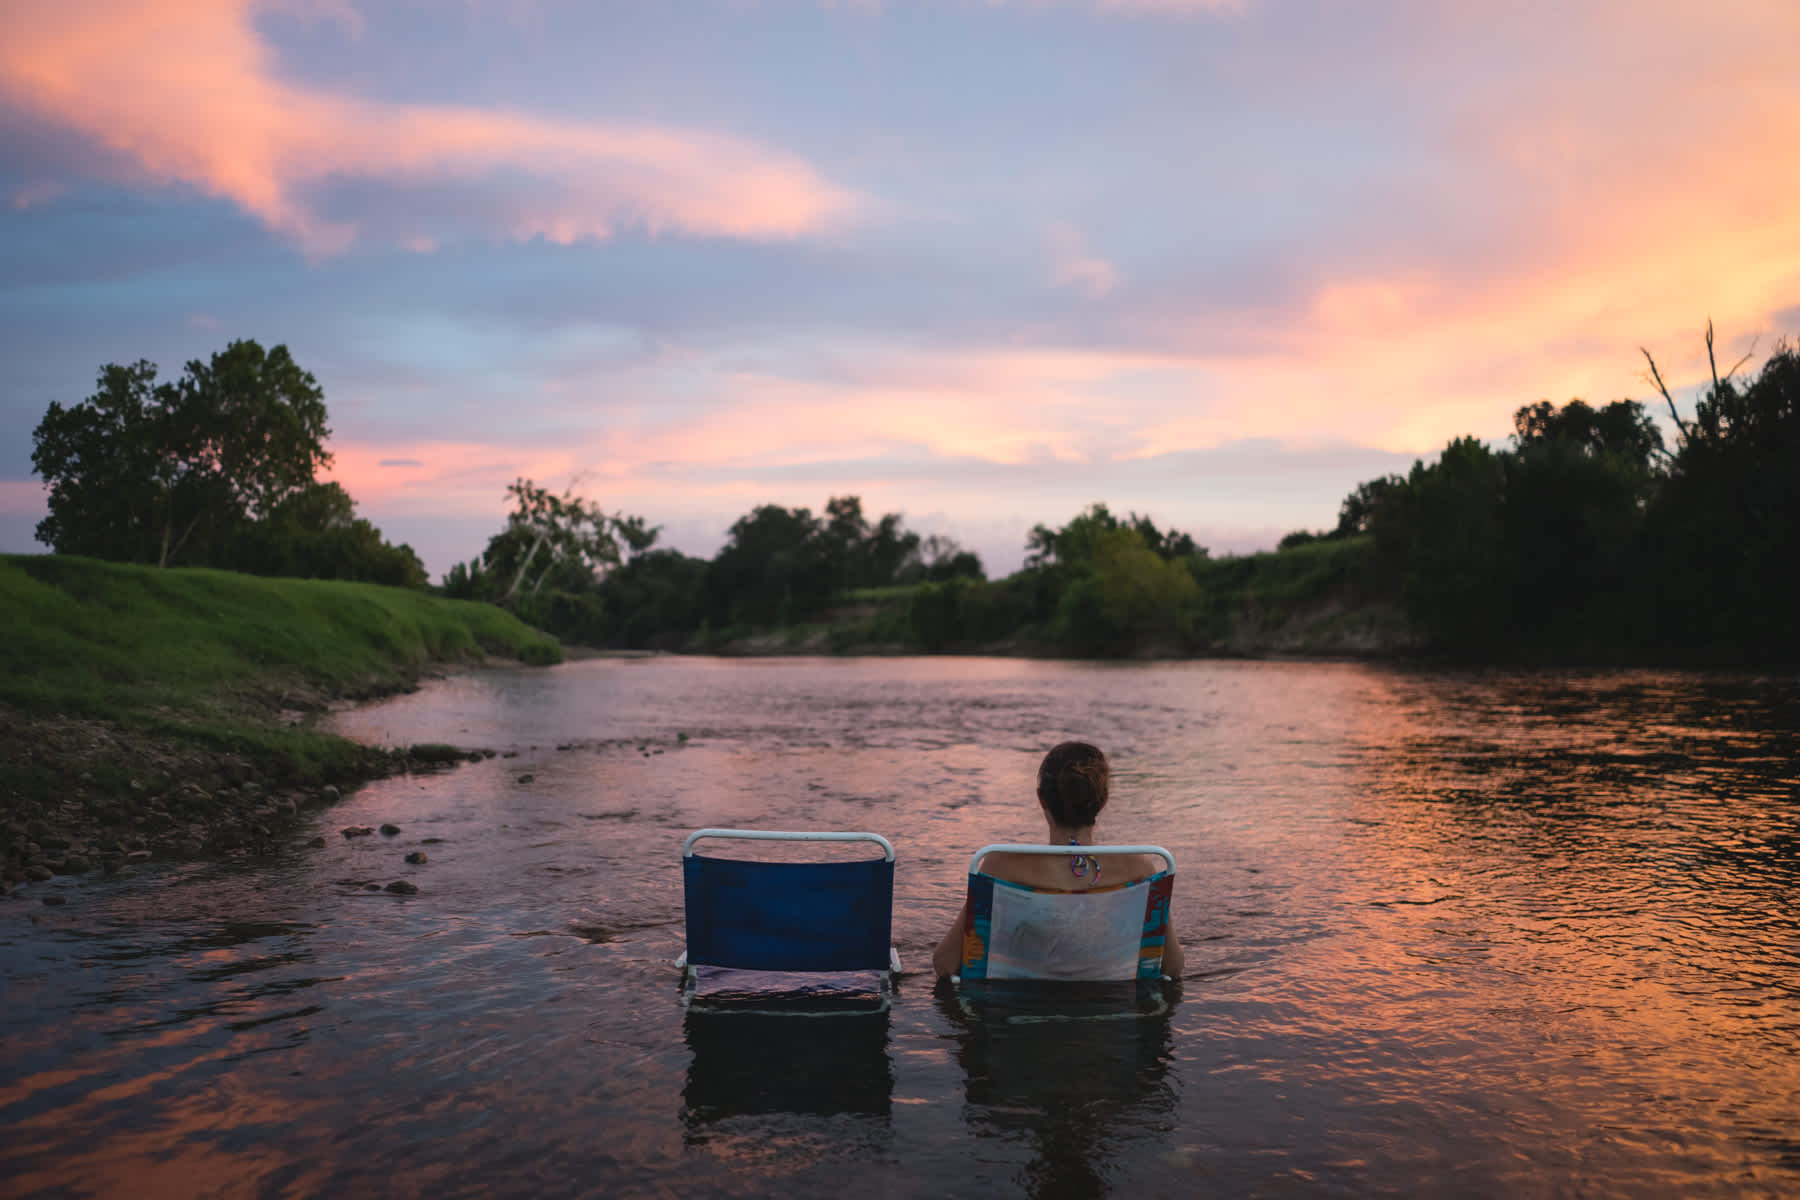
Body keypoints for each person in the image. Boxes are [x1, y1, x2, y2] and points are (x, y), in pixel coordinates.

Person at [931, 741, 1183, 979]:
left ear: (1042, 800)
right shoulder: (1140, 868)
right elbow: (1172, 966)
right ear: (1102, 801)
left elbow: (945, 964)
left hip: (1017, 1012)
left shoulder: (1000, 865)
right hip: (1110, 1014)